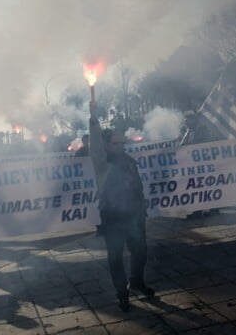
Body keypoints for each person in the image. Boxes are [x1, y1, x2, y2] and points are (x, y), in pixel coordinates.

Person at [88, 100, 154, 312]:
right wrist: (94, 118)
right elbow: (95, 143)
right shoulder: (102, 162)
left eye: (122, 144)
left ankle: (136, 281)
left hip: (134, 216)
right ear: (107, 146)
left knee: (140, 252)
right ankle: (122, 292)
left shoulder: (128, 160)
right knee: (115, 257)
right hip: (113, 217)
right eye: (115, 144)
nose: (120, 147)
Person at [180, 111, 219, 218]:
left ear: (193, 120)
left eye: (187, 121)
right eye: (185, 122)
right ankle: (197, 210)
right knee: (195, 187)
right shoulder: (187, 132)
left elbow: (205, 144)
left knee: (207, 186)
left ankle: (214, 209)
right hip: (192, 165)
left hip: (203, 164)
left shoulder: (202, 130)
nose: (186, 123)